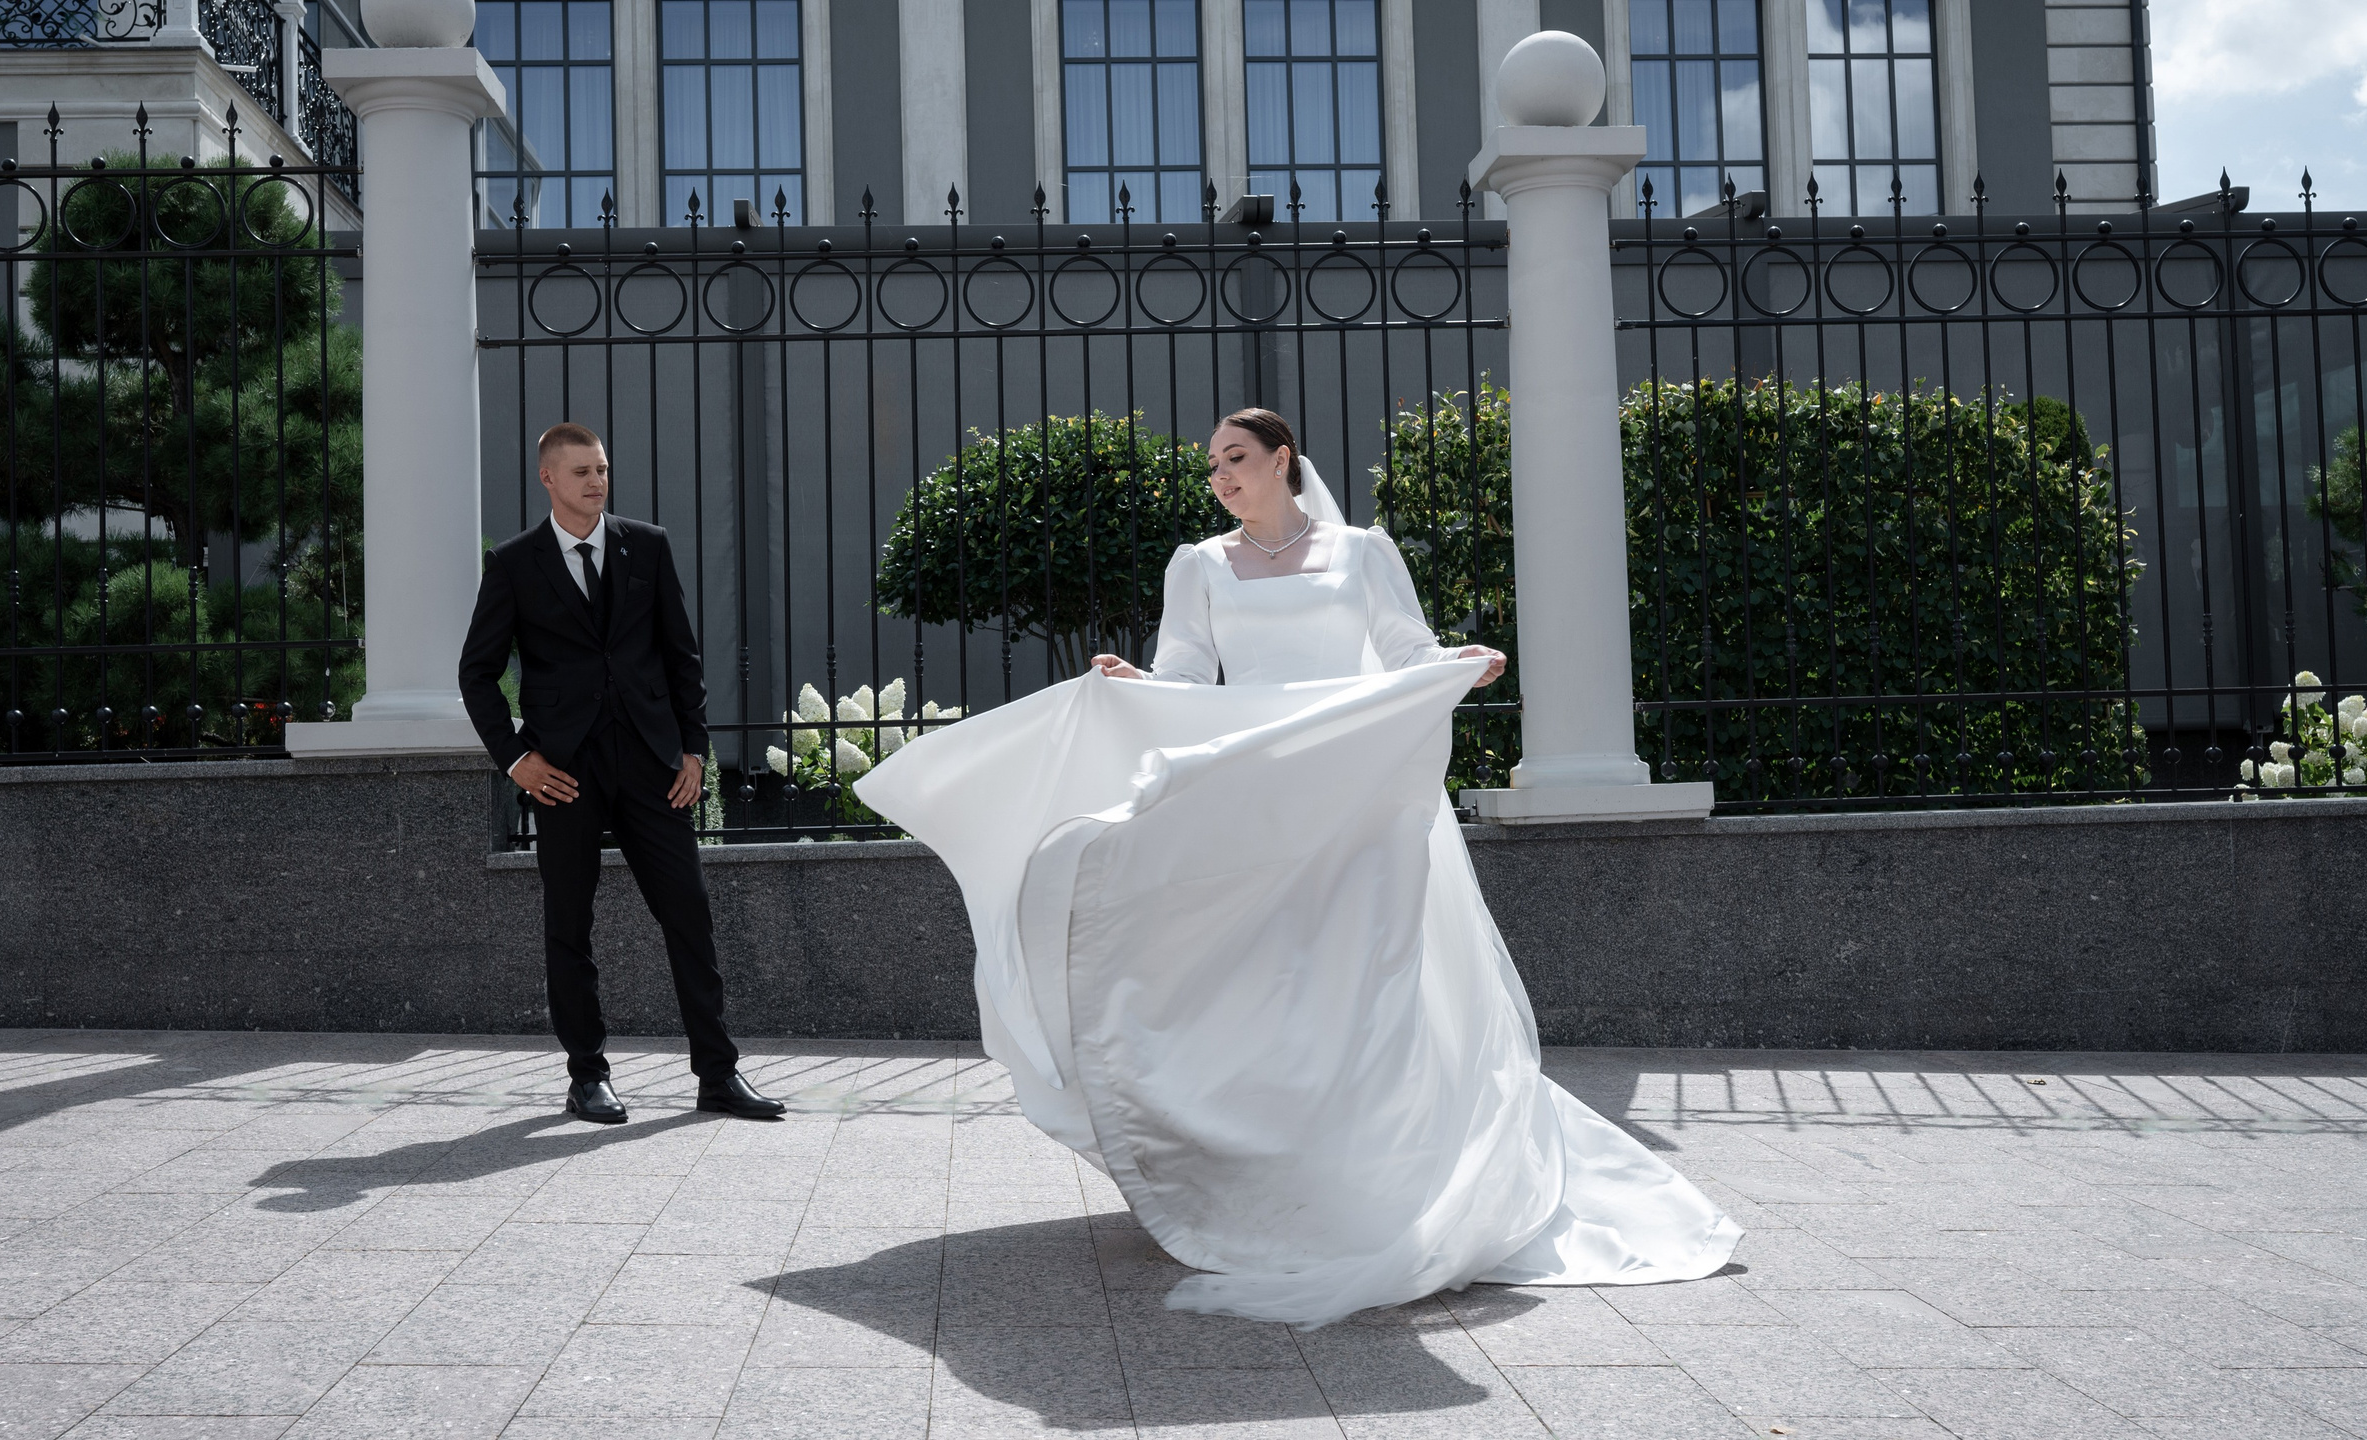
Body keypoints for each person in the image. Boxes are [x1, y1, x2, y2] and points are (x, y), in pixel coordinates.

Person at [854, 407, 1739, 1328]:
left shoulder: (1363, 551)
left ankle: (1393, 1173)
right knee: (1279, 979)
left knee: (1372, 975)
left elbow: (1403, 652)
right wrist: (1138, 685)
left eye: (1236, 460)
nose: (1221, 478)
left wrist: (1456, 665)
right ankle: (1280, 1167)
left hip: (1357, 791)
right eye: (1212, 468)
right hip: (1264, 796)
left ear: (1284, 461)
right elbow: (1191, 675)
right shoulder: (1197, 564)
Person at [457, 422, 785, 1125]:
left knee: (689, 913)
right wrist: (517, 759)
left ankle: (718, 1075)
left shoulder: (649, 546)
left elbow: (681, 657)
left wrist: (693, 751)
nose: (596, 481)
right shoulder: (514, 564)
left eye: (601, 468)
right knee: (569, 924)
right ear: (548, 478)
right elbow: (477, 673)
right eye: (580, 472)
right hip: (563, 772)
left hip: (650, 764)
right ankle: (587, 1076)